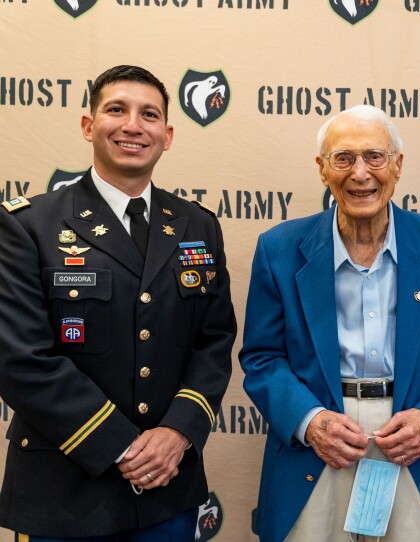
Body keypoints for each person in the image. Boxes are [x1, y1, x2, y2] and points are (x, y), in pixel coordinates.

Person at [0, 65, 236, 539]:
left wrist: (177, 433)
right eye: (116, 109)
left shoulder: (197, 225)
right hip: (63, 493)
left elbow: (213, 342)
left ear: (167, 135)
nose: (133, 125)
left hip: (168, 488)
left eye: (149, 114)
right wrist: (121, 446)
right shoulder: (29, 225)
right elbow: (19, 358)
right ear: (89, 126)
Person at [239, 104, 420, 542]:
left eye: (375, 156)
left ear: (398, 165)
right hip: (318, 444)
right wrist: (310, 422)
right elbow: (262, 358)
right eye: (343, 158)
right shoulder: (278, 249)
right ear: (322, 169)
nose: (360, 173)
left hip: (411, 444)